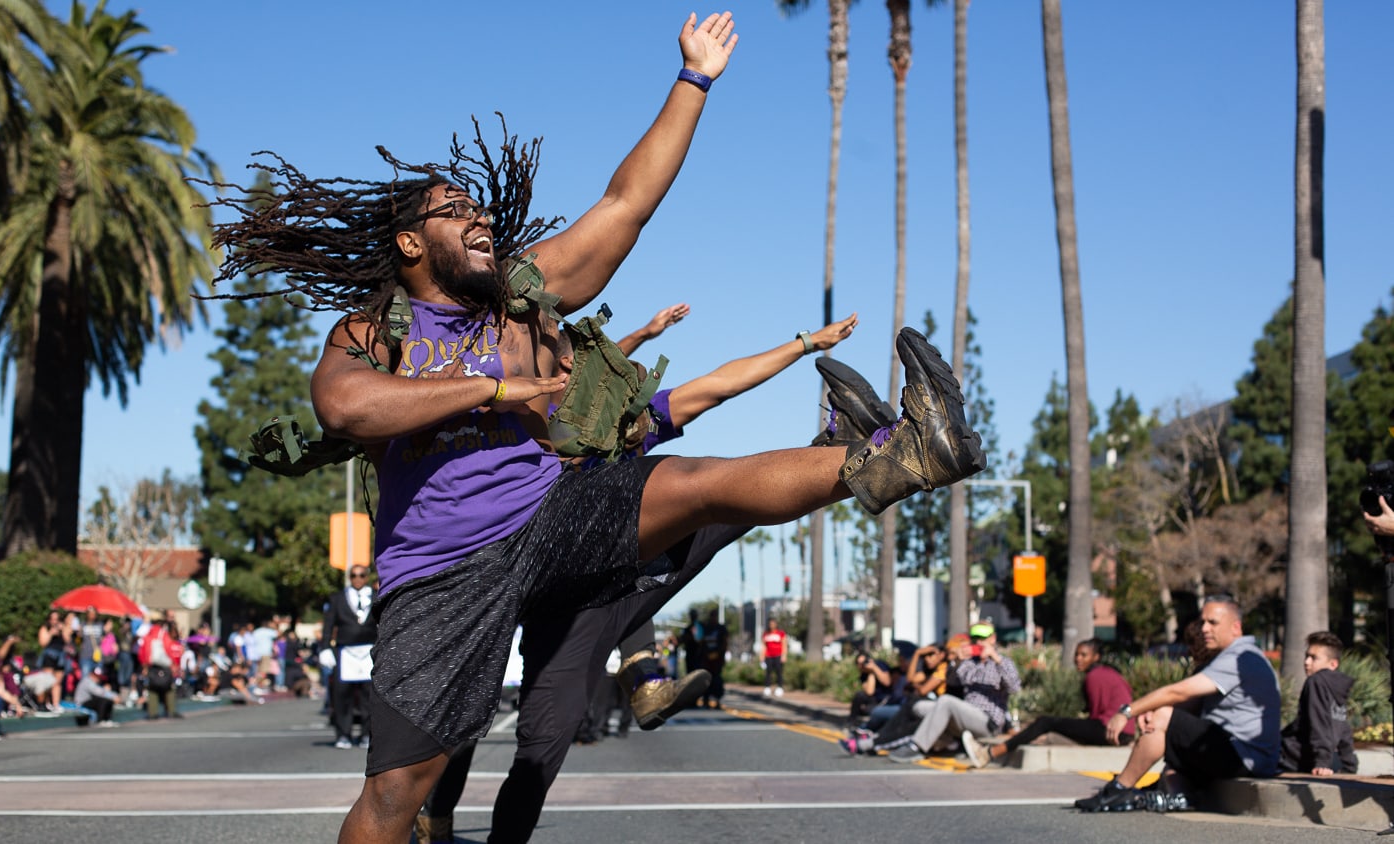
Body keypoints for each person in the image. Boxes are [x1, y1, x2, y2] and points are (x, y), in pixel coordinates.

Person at [212, 16, 985, 842]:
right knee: (397, 798)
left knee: (696, 485)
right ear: (409, 241)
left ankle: (906, 453)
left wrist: (694, 82)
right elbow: (345, 407)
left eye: (479, 208)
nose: (479, 218)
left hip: (549, 516)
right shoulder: (374, 331)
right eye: (453, 211)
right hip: (442, 572)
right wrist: (491, 388)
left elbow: (626, 203)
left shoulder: (520, 297)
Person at [418, 311, 881, 843]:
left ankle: (841, 450)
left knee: (720, 499)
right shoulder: (527, 424)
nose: (630, 380)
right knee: (500, 731)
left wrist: (804, 343)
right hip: (534, 591)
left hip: (604, 590)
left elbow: (715, 387)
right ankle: (437, 813)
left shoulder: (626, 430)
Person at [1075, 596, 1281, 814]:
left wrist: (1128, 712)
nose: (1204, 629)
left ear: (1235, 627)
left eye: (1213, 623)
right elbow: (1191, 704)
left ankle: (1118, 789)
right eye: (1202, 622)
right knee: (1165, 726)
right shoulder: (1232, 656)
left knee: (1164, 716)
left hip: (1244, 756)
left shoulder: (1241, 657)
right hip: (1236, 752)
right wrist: (1152, 714)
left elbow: (1178, 692)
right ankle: (1167, 795)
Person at [971, 638, 1134, 767]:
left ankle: (992, 752)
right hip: (1121, 732)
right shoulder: (1108, 673)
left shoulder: (1095, 676)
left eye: (1084, 655)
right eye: (1076, 654)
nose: (1078, 659)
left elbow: (1099, 714)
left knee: (1045, 722)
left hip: (1112, 731)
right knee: (1052, 726)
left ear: (1096, 657)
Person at [886, 623, 1020, 765]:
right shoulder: (969, 663)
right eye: (975, 639)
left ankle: (916, 747)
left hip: (988, 721)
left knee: (946, 701)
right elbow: (951, 682)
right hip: (966, 714)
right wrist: (956, 661)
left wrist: (995, 657)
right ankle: (946, 741)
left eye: (983, 638)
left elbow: (1014, 687)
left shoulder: (1003, 662)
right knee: (920, 707)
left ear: (992, 638)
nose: (979, 643)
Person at [1279, 631, 1357, 776]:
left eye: (1314, 658)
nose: (1306, 662)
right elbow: (1342, 727)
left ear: (1333, 664)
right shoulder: (1337, 688)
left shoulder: (1316, 681)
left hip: (1294, 758)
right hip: (1317, 758)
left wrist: (1322, 763)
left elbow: (1318, 724)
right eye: (1307, 656)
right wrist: (1349, 764)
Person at [323, 565, 379, 749]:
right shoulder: (338, 598)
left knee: (368, 696)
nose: (357, 578)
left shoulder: (377, 596)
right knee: (342, 696)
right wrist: (325, 648)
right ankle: (343, 734)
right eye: (353, 575)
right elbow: (328, 625)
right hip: (345, 652)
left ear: (367, 577)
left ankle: (365, 735)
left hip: (369, 651)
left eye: (361, 575)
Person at [849, 650, 897, 725]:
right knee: (859, 695)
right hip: (874, 701)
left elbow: (887, 682)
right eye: (859, 664)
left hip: (887, 698)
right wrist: (871, 673)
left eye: (864, 662)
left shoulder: (880, 664)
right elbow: (870, 692)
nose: (862, 665)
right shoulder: (863, 675)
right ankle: (852, 721)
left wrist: (874, 668)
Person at [697, 608, 729, 710]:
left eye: (715, 616)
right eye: (712, 616)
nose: (713, 618)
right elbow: (701, 642)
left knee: (717, 679)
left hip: (717, 659)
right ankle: (706, 700)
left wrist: (720, 655)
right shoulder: (705, 628)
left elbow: (724, 643)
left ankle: (717, 700)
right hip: (706, 659)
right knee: (706, 679)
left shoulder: (721, 628)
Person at [762, 618, 787, 697]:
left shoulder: (781, 633)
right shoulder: (766, 634)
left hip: (778, 655)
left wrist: (784, 655)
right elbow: (763, 646)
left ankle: (780, 687)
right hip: (768, 656)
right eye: (770, 624)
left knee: (779, 672)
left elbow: (784, 644)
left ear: (776, 624)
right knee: (768, 672)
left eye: (773, 624)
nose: (772, 625)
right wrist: (762, 656)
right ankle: (767, 687)